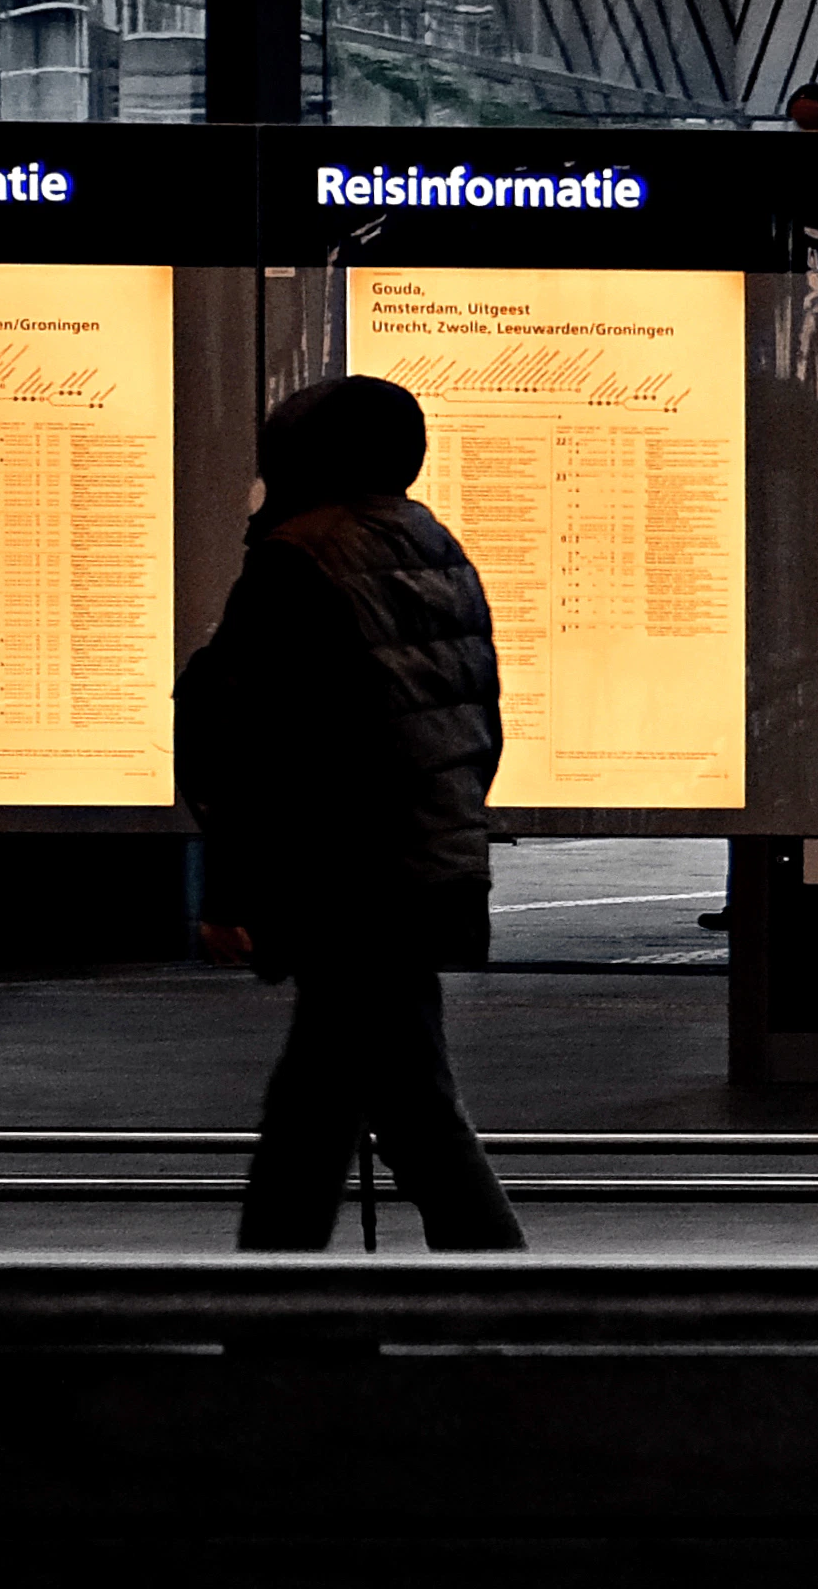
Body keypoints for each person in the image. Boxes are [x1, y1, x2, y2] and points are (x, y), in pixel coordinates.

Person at [178, 374, 526, 1254]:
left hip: (348, 880)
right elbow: (475, 723)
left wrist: (229, 890)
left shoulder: (300, 558)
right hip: (420, 868)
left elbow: (253, 742)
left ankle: (512, 1318)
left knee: (391, 1113)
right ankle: (289, 1322)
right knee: (335, 1106)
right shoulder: (431, 544)